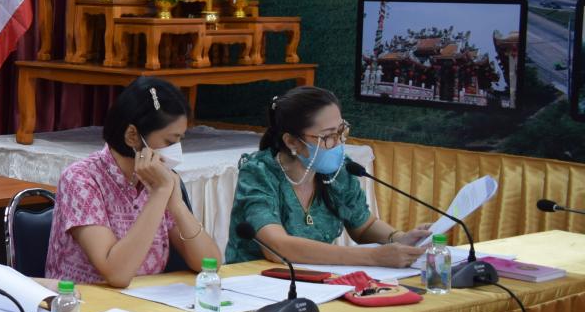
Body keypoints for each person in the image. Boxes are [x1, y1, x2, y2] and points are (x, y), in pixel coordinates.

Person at [44, 77, 219, 288]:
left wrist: (177, 205)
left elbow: (209, 264)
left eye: (180, 140)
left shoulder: (160, 178)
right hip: (83, 303)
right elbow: (117, 274)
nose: (176, 150)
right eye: (170, 141)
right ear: (132, 135)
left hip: (148, 301)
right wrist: (159, 194)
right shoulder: (81, 179)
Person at [226, 86, 429, 266]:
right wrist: (374, 257)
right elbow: (277, 247)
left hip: (318, 282)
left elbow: (363, 226)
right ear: (292, 142)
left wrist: (399, 238)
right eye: (328, 136)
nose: (338, 143)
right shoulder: (259, 173)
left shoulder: (337, 171)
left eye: (341, 131)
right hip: (256, 283)